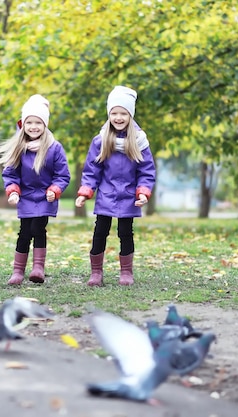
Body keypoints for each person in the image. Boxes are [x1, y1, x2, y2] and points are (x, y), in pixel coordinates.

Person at [75, 86, 156, 286]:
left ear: (130, 115)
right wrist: (86, 191)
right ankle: (96, 272)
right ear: (109, 114)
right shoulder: (101, 140)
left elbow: (146, 171)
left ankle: (126, 272)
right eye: (114, 113)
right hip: (106, 193)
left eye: (123, 113)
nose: (118, 117)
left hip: (129, 195)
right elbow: (92, 169)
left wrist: (143, 192)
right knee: (100, 231)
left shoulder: (139, 141)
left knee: (125, 232)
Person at [0, 95, 71, 285]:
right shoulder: (19, 147)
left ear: (45, 125)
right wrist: (13, 191)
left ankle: (38, 268)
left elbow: (63, 175)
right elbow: (10, 173)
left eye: (38, 122)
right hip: (26, 196)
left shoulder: (54, 148)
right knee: (25, 231)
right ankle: (18, 271)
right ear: (23, 124)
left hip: (45, 197)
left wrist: (55, 189)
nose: (34, 126)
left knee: (38, 228)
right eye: (30, 122)